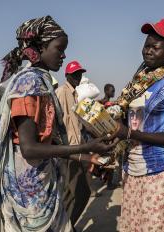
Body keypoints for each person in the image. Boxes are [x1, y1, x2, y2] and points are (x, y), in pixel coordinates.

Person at [0, 16, 117, 232]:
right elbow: (30, 149)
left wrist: (86, 156)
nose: (63, 55)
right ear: (41, 47)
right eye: (59, 49)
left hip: (40, 184)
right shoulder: (30, 83)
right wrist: (87, 146)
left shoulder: (39, 81)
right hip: (30, 193)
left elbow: (47, 141)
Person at [113, 18, 164, 231]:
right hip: (133, 169)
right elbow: (129, 124)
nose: (148, 51)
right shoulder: (137, 85)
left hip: (160, 172)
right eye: (146, 45)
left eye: (155, 47)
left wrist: (130, 133)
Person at [56, 60, 103, 226]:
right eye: (74, 74)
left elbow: (78, 124)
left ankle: (67, 225)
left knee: (78, 192)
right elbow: (58, 122)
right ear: (67, 75)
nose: (78, 76)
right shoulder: (62, 92)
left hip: (78, 148)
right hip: (69, 151)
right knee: (76, 192)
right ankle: (66, 225)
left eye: (80, 73)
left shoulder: (76, 95)